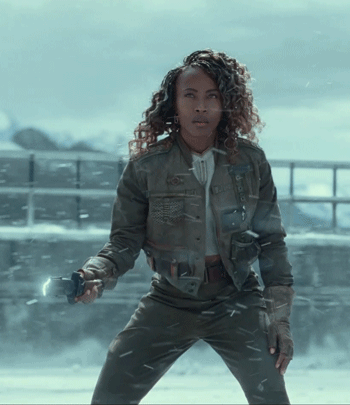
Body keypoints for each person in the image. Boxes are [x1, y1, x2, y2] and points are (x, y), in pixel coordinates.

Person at [74, 49, 294, 404]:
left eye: (212, 96)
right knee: (110, 395)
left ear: (227, 103)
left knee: (271, 397)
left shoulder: (251, 162)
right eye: (190, 96)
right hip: (170, 298)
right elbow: (124, 242)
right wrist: (93, 275)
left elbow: (271, 242)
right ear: (173, 104)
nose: (201, 107)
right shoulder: (147, 167)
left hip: (237, 297)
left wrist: (279, 318)